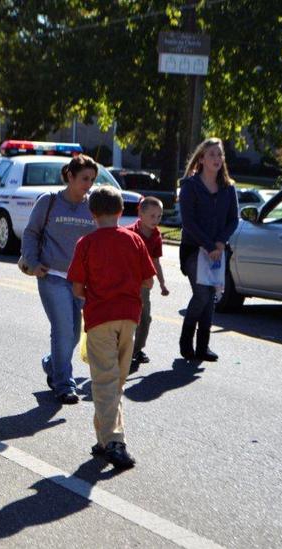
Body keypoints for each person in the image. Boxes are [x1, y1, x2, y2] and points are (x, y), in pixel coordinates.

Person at [67, 186, 156, 469]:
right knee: (116, 380)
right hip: (129, 317)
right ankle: (104, 439)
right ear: (120, 211)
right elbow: (148, 281)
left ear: (92, 213)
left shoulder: (86, 243)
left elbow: (77, 287)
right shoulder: (134, 240)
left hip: (100, 318)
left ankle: (115, 441)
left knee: (104, 380)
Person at [19, 154, 97, 404]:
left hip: (80, 281)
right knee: (63, 330)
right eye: (84, 178)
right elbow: (31, 233)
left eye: (92, 180)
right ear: (70, 177)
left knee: (73, 335)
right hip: (51, 275)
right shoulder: (49, 201)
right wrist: (32, 262)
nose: (88, 184)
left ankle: (52, 364)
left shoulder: (92, 206)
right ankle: (64, 384)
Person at [178, 137, 238, 362]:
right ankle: (186, 341)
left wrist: (220, 242)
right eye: (212, 154)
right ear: (201, 159)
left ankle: (203, 346)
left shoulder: (228, 188)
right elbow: (189, 223)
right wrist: (209, 245)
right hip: (194, 249)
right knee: (202, 293)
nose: (217, 158)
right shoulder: (190, 186)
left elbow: (233, 219)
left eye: (219, 154)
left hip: (218, 251)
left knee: (211, 295)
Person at [127, 196, 170, 373]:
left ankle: (136, 350)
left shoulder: (156, 235)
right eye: (152, 216)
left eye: (159, 216)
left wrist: (162, 284)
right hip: (127, 284)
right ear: (140, 214)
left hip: (144, 284)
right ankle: (124, 351)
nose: (156, 220)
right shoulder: (129, 233)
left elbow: (155, 261)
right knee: (128, 319)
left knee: (145, 319)